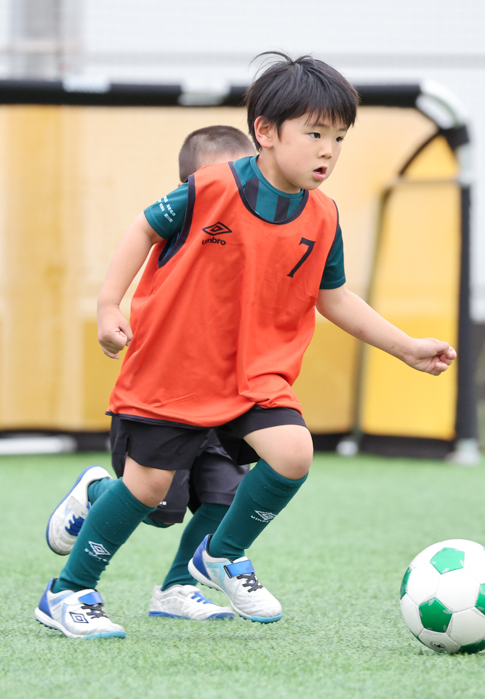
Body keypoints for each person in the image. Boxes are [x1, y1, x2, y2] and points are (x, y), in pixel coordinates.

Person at [34, 53, 457, 640]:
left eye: (339, 138)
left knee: (293, 453)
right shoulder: (210, 188)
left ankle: (219, 552)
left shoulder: (324, 216)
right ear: (266, 131)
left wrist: (405, 347)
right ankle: (68, 591)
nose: (329, 151)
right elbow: (143, 229)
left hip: (255, 376)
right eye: (315, 134)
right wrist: (110, 305)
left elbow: (333, 296)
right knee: (150, 493)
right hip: (176, 370)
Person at [45, 125, 257, 622]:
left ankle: (178, 587)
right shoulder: (183, 219)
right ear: (189, 188)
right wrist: (108, 304)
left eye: (244, 178)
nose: (234, 190)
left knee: (227, 497)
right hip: (164, 393)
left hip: (225, 395)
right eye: (220, 179)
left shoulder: (260, 231)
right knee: (158, 506)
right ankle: (97, 493)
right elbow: (140, 230)